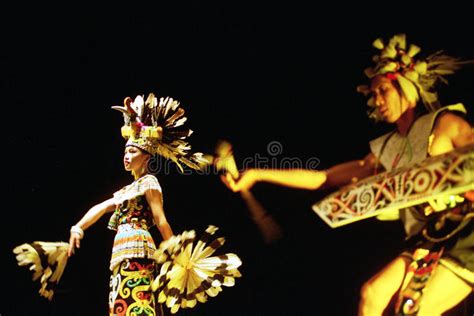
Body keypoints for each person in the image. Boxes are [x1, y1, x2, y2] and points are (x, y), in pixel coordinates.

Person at [221, 34, 473, 315]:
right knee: (372, 295)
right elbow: (324, 178)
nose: (377, 100)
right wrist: (257, 174)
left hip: (466, 236)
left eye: (383, 91)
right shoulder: (387, 150)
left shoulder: (445, 125)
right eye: (373, 94)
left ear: (405, 88)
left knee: (415, 309)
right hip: (429, 239)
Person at [68, 93, 207, 315]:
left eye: (132, 151)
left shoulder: (149, 182)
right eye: (125, 151)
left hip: (139, 248)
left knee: (138, 303)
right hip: (120, 251)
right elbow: (101, 207)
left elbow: (160, 219)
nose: (126, 155)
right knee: (121, 303)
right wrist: (78, 228)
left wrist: (176, 253)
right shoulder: (126, 191)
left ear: (146, 157)